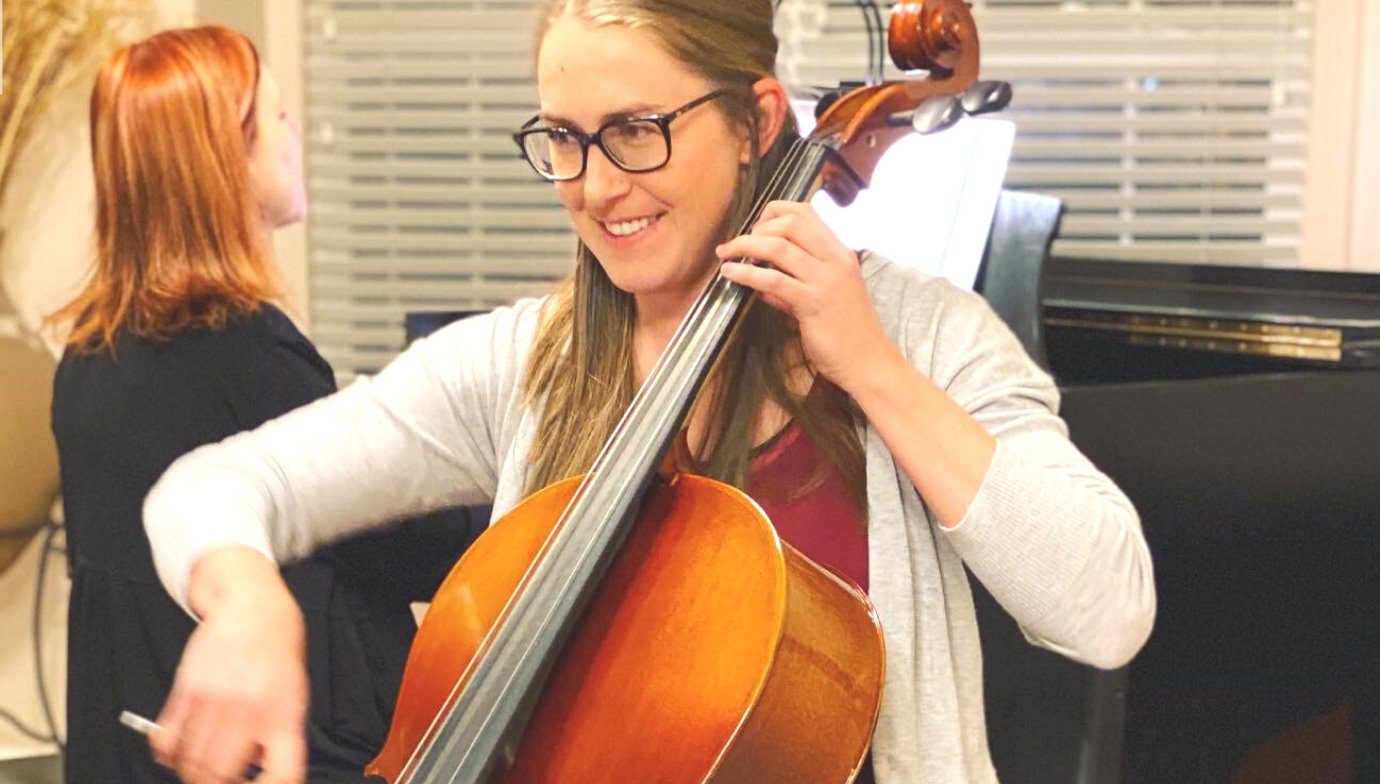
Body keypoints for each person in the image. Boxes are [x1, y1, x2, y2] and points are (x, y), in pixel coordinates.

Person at [141, 3, 1156, 782]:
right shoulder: (526, 362)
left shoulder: (924, 336)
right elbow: (216, 486)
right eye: (564, 139)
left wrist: (874, 368)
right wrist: (244, 602)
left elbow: (1108, 610)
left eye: (634, 130)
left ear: (757, 118)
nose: (592, 185)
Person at [49, 26, 473, 784]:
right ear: (224, 163)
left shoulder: (88, 354)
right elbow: (399, 540)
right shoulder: (243, 353)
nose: (296, 136)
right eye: (278, 119)